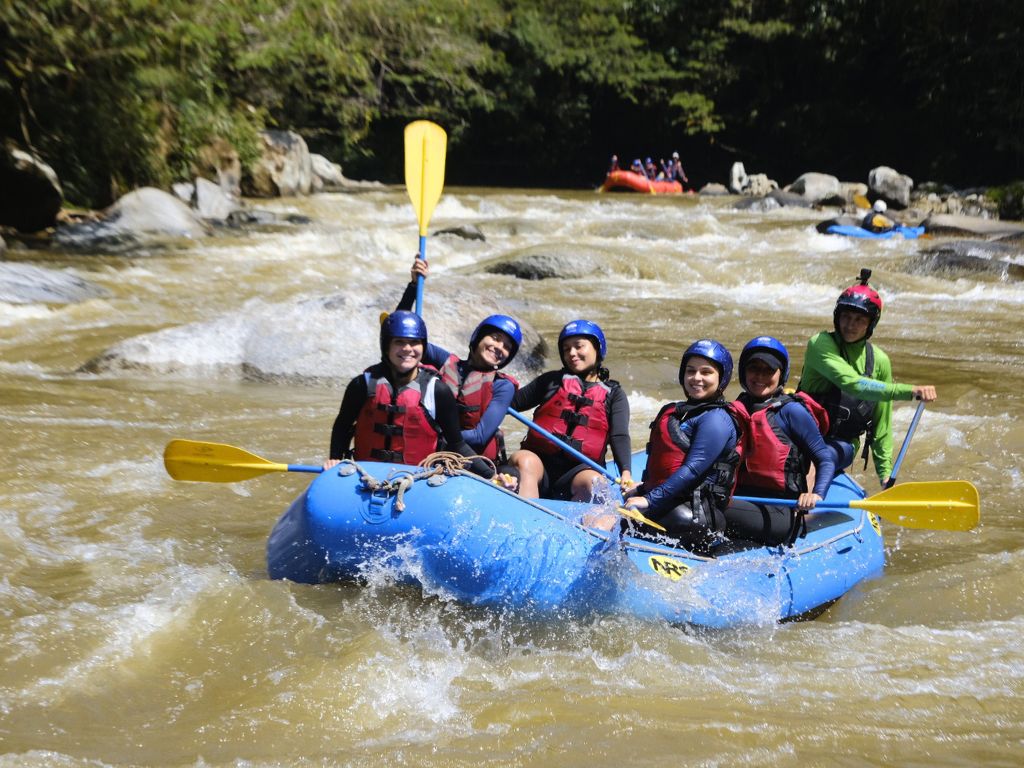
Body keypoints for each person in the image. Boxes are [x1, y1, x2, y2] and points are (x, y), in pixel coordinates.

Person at [797, 269, 937, 488]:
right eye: (846, 317)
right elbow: (851, 383)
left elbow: (882, 424)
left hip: (841, 443)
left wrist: (885, 474)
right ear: (837, 317)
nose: (850, 325)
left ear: (871, 324)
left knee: (821, 457)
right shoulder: (820, 344)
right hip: (802, 434)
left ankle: (803, 513)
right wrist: (910, 391)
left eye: (859, 320)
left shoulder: (879, 361)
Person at [324, 310, 495, 481]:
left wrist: (491, 476)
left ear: (423, 347)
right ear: (386, 346)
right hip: (366, 475)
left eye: (414, 342)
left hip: (416, 479)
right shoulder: (362, 385)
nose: (407, 349)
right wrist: (335, 458)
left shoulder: (437, 391)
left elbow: (457, 444)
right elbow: (342, 426)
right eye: (399, 342)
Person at [394, 258, 521, 468]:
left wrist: (432, 435)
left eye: (507, 347)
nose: (500, 347)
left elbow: (480, 436)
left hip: (472, 461)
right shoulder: (446, 362)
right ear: (477, 339)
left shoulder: (502, 386)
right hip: (431, 456)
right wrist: (413, 286)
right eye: (496, 339)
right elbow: (400, 337)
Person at [622, 339, 742, 553]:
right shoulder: (684, 412)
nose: (696, 378)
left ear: (721, 378)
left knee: (610, 523)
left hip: (693, 515)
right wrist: (641, 489)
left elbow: (693, 469)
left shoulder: (716, 419)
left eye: (706, 372)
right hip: (672, 504)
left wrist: (648, 500)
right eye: (691, 371)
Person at [725, 336, 836, 545]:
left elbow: (825, 459)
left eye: (768, 370)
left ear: (781, 375)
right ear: (743, 372)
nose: (759, 376)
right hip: (739, 498)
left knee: (709, 505)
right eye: (753, 368)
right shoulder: (735, 409)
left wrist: (817, 495)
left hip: (778, 510)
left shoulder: (791, 412)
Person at [507, 319, 633, 501]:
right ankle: (525, 515)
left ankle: (590, 527)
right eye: (566, 349)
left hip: (578, 473)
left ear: (597, 348)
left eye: (579, 346)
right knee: (526, 461)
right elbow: (509, 404)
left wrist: (626, 473)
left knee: (596, 483)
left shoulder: (614, 395)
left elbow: (619, 436)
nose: (572, 353)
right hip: (538, 466)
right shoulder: (551, 381)